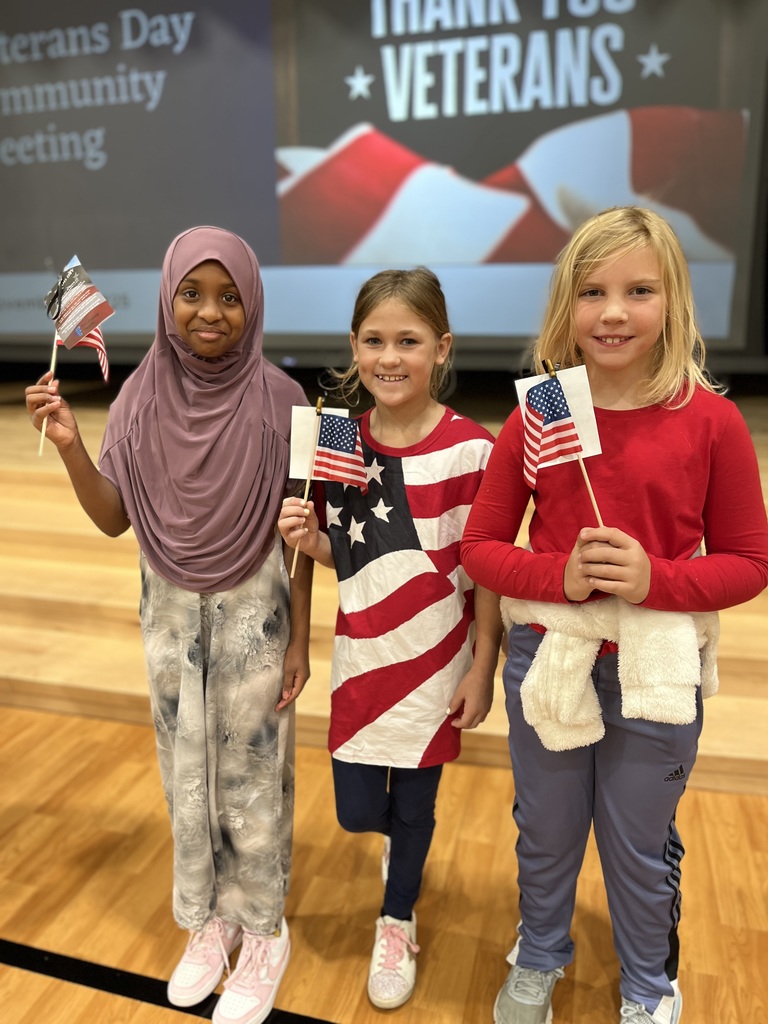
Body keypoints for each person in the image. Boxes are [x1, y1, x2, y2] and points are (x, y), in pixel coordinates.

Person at [461, 206, 768, 1024]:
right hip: (549, 659)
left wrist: (654, 579)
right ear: (566, 306)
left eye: (639, 290)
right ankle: (539, 955)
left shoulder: (712, 419)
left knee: (637, 843)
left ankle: (646, 986)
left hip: (656, 667)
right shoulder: (542, 414)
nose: (614, 312)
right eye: (591, 292)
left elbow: (750, 564)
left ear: (674, 302)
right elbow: (482, 547)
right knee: (547, 831)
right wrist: (557, 576)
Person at [25, 226, 314, 1024]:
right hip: (169, 621)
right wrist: (73, 445)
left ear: (252, 302)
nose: (209, 312)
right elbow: (117, 519)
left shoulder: (283, 403)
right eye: (192, 293)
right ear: (167, 299)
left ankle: (262, 929)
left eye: (228, 296)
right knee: (186, 776)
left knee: (252, 781)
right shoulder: (140, 396)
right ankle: (209, 920)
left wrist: (300, 638)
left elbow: (301, 535)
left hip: (256, 616)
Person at [277, 267, 502, 1010]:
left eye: (409, 340)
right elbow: (342, 552)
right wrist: (306, 545)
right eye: (374, 340)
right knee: (354, 811)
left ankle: (398, 915)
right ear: (352, 346)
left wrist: (483, 668)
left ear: (442, 348)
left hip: (440, 664)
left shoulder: (474, 449)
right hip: (361, 662)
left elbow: (488, 572)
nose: (389, 357)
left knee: (415, 809)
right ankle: (399, 863)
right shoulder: (338, 438)